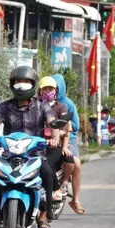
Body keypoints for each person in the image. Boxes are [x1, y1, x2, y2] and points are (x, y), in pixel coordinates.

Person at [0, 66, 67, 228]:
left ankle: (43, 217)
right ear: (12, 84)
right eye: (18, 81)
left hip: (34, 156)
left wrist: (54, 138)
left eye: (26, 81)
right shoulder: (5, 107)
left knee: (48, 174)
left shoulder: (42, 107)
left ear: (33, 84)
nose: (21, 85)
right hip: (9, 157)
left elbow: (52, 122)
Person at [50, 73, 86, 215]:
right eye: (47, 88)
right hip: (46, 138)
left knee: (76, 163)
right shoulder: (40, 103)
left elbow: (74, 126)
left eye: (53, 88)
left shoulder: (68, 104)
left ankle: (75, 200)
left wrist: (60, 130)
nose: (50, 91)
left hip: (67, 139)